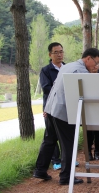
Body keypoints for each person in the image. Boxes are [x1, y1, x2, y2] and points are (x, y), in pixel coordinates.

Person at [33, 48, 99, 185]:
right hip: (64, 112)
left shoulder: (68, 65)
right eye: (96, 62)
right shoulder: (81, 71)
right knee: (69, 144)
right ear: (88, 58)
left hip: (52, 108)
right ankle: (66, 177)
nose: (96, 66)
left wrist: (47, 108)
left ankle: (40, 170)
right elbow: (85, 96)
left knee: (49, 140)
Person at [39, 42, 64, 170]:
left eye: (61, 52)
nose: (59, 55)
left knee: (65, 134)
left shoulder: (67, 68)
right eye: (56, 52)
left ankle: (66, 159)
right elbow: (46, 88)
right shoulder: (45, 70)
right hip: (51, 107)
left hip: (65, 107)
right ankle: (56, 160)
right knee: (51, 134)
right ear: (50, 54)